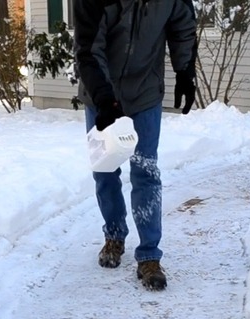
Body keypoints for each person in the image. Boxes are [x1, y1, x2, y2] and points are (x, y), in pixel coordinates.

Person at [73, 0, 197, 290]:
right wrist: (105, 99)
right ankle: (114, 235)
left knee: (145, 171)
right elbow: (89, 51)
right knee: (105, 169)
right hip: (100, 92)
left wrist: (185, 71)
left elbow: (183, 29)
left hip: (145, 93)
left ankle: (149, 255)